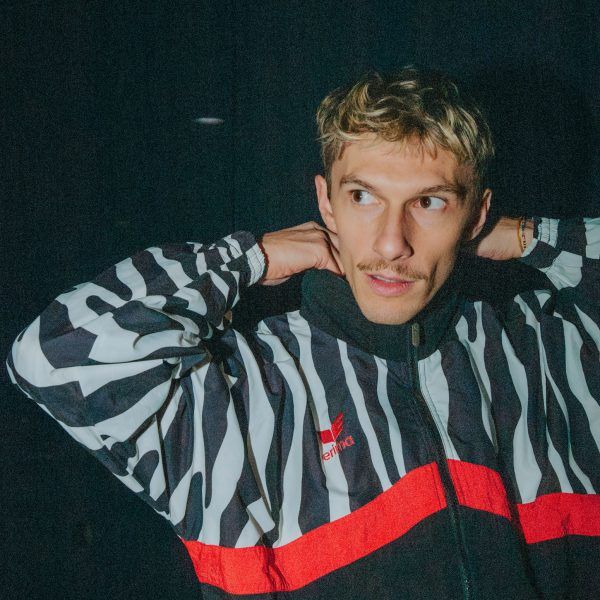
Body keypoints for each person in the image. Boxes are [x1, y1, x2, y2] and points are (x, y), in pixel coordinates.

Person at [7, 68, 599, 600]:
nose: (392, 242)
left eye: (429, 202)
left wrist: (526, 237)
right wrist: (251, 257)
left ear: (476, 214)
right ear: (325, 202)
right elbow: (51, 354)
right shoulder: (237, 393)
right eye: (362, 197)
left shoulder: (547, 351)